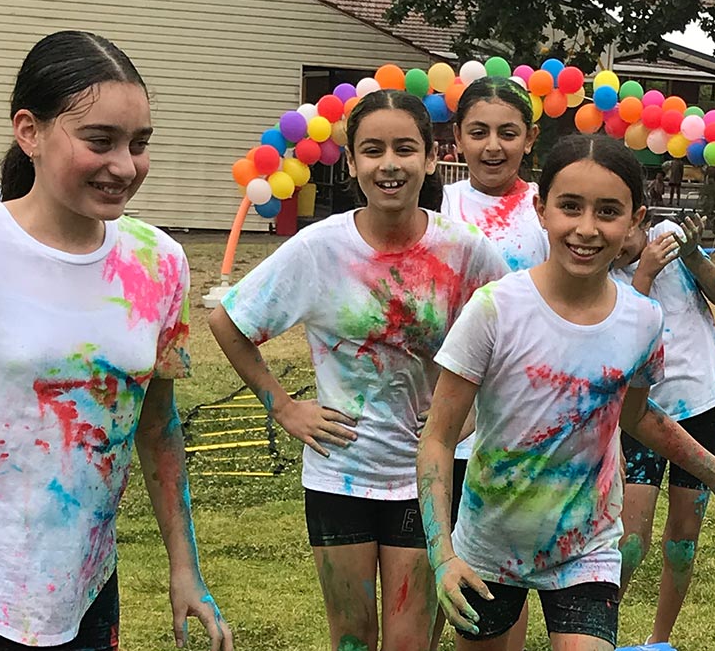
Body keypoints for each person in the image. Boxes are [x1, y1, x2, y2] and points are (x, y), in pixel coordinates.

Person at [0, 31, 232, 651]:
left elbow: (158, 425)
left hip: (87, 590)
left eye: (139, 144)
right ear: (28, 132)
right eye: (100, 141)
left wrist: (184, 566)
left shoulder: (159, 262)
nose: (125, 165)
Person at [418, 134, 715, 651]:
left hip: (586, 548)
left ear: (636, 220)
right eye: (570, 207)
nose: (586, 229)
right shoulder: (495, 309)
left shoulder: (642, 319)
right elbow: (437, 439)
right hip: (489, 546)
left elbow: (637, 416)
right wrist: (442, 553)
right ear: (541, 209)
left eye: (608, 211)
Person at [209, 89, 507, 651]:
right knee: (350, 639)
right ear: (351, 163)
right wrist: (284, 407)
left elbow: (509, 343)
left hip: (426, 481)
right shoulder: (319, 248)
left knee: (408, 641)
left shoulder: (467, 251)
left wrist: (468, 421)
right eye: (371, 150)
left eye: (404, 148)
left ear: (431, 156)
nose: (388, 163)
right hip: (338, 474)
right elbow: (229, 322)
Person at [437, 76, 547, 649]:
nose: (493, 146)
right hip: (448, 416)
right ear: (457, 138)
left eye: (508, 133)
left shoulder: (545, 209)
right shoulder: (442, 203)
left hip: (519, 422)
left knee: (502, 577)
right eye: (478, 132)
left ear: (530, 137)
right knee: (443, 563)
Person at [610, 209, 715, 647]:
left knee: (683, 538)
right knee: (629, 542)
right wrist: (643, 273)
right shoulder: (600, 271)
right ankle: (600, 634)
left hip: (701, 404)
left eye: (621, 221)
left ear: (640, 216)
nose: (616, 238)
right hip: (638, 413)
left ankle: (659, 641)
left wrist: (692, 257)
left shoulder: (671, 239)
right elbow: (623, 335)